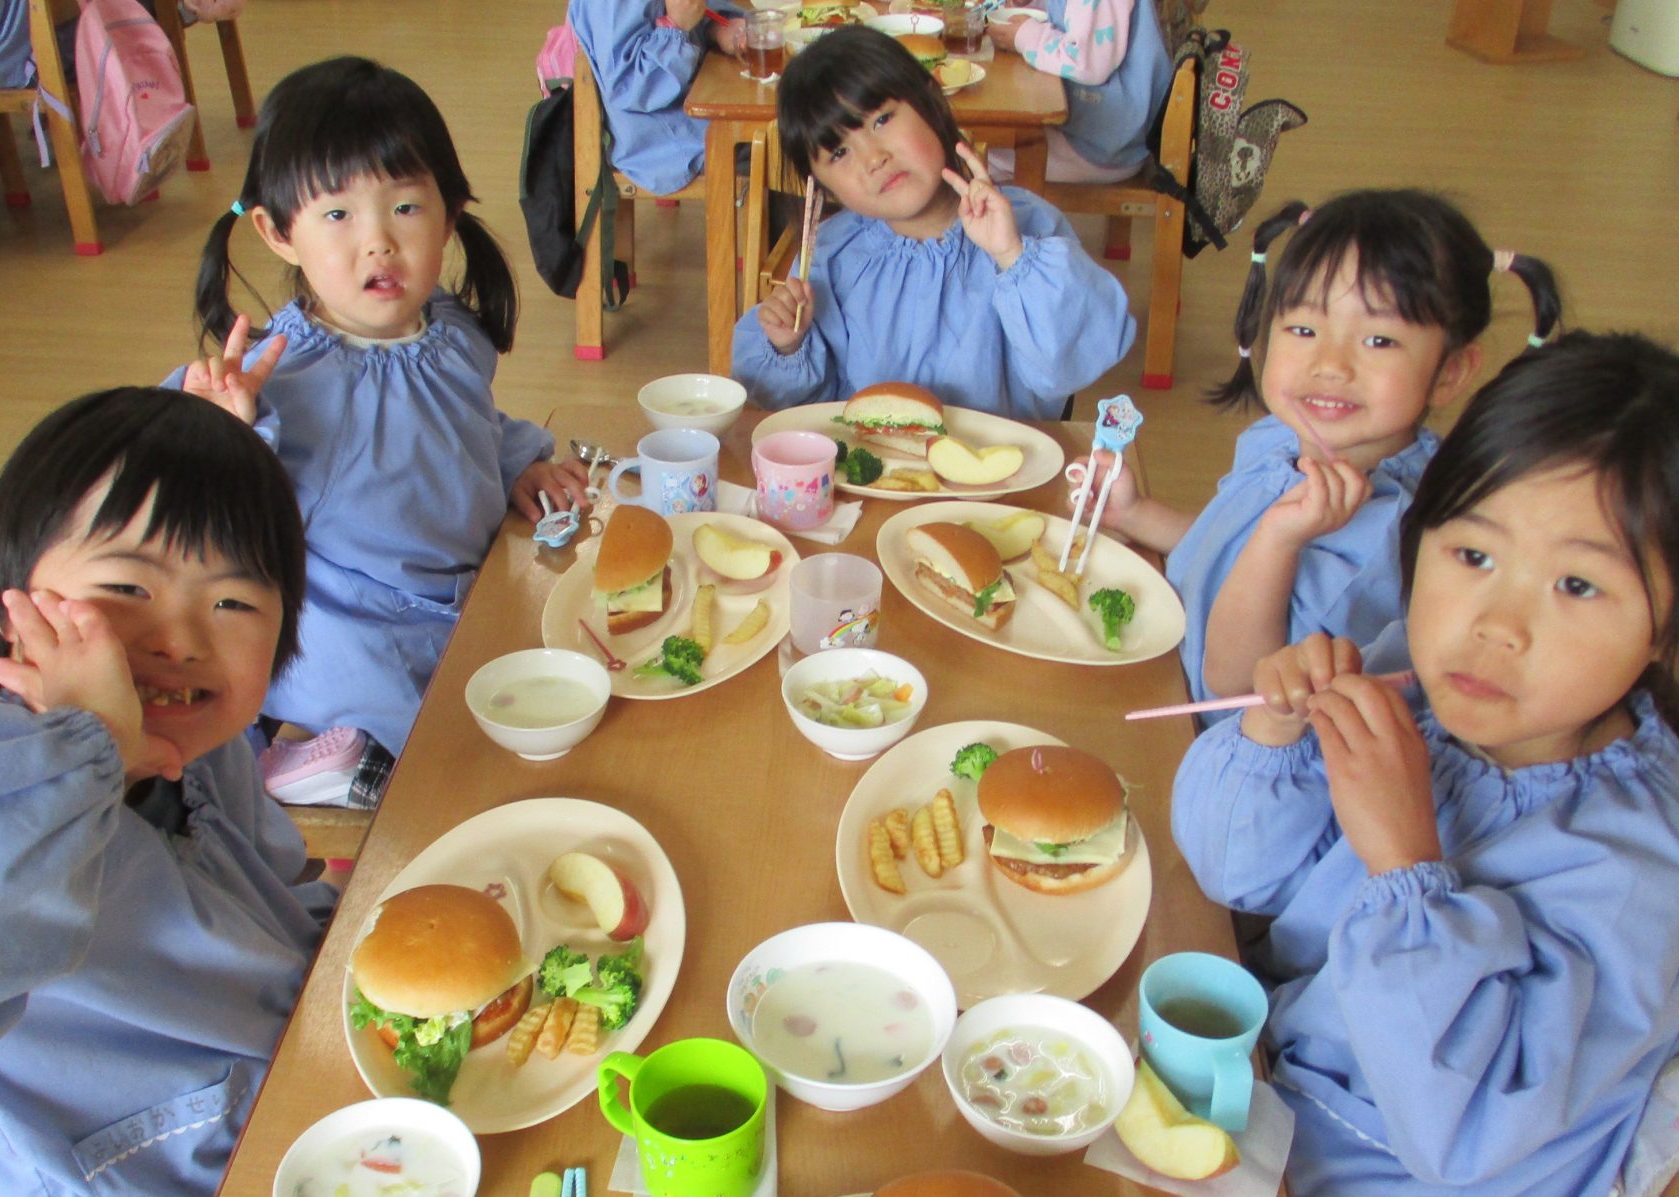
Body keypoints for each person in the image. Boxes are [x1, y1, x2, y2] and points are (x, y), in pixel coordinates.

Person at [1171, 332, 1679, 1197]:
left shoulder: (1633, 868)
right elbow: (1231, 874)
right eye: (1474, 555)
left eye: (1578, 585)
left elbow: (1467, 1130)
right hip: (1271, 1083)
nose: (1496, 625)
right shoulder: (1411, 675)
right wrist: (1273, 732)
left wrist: (1404, 862)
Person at [0, 387, 335, 1197]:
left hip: (287, 1096)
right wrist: (84, 747)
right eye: (128, 589)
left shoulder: (193, 739)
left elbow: (269, 896)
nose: (180, 639)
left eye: (234, 602)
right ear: (7, 596)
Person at [174, 56, 589, 764]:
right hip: (357, 635)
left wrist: (514, 462)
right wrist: (219, 431)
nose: (379, 241)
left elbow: (462, 421)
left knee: (567, 668)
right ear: (278, 232)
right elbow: (178, 509)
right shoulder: (280, 378)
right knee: (458, 760)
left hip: (460, 595)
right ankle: (329, 768)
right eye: (338, 214)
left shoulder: (445, 329)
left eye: (405, 207)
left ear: (449, 215)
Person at [1086, 190, 1559, 720]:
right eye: (1304, 330)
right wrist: (1137, 515)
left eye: (1379, 341)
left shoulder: (1394, 534)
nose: (1330, 364)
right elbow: (1225, 549)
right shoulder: (1281, 439)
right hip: (1163, 676)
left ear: (1450, 372)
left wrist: (1280, 538)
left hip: (1215, 739)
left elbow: (1237, 684)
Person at [731, 25, 1135, 420]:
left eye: (881, 120)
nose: (873, 158)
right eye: (838, 153)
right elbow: (805, 415)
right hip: (870, 463)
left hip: (1001, 461)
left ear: (931, 101)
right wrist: (789, 345)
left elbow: (1072, 364)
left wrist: (1011, 255)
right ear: (820, 186)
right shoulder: (830, 254)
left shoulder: (1024, 224)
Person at [568, 0, 746, 196]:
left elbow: (695, 8)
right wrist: (676, 26)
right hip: (662, 141)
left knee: (765, 117)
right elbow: (628, 87)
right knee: (765, 146)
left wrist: (717, 27)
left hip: (693, 105)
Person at [986, 0, 1174, 184]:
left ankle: (1026, 205)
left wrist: (1025, 35)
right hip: (1093, 134)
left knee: (981, 155)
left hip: (1104, 148)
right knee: (987, 143)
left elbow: (1086, 62)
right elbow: (1078, 18)